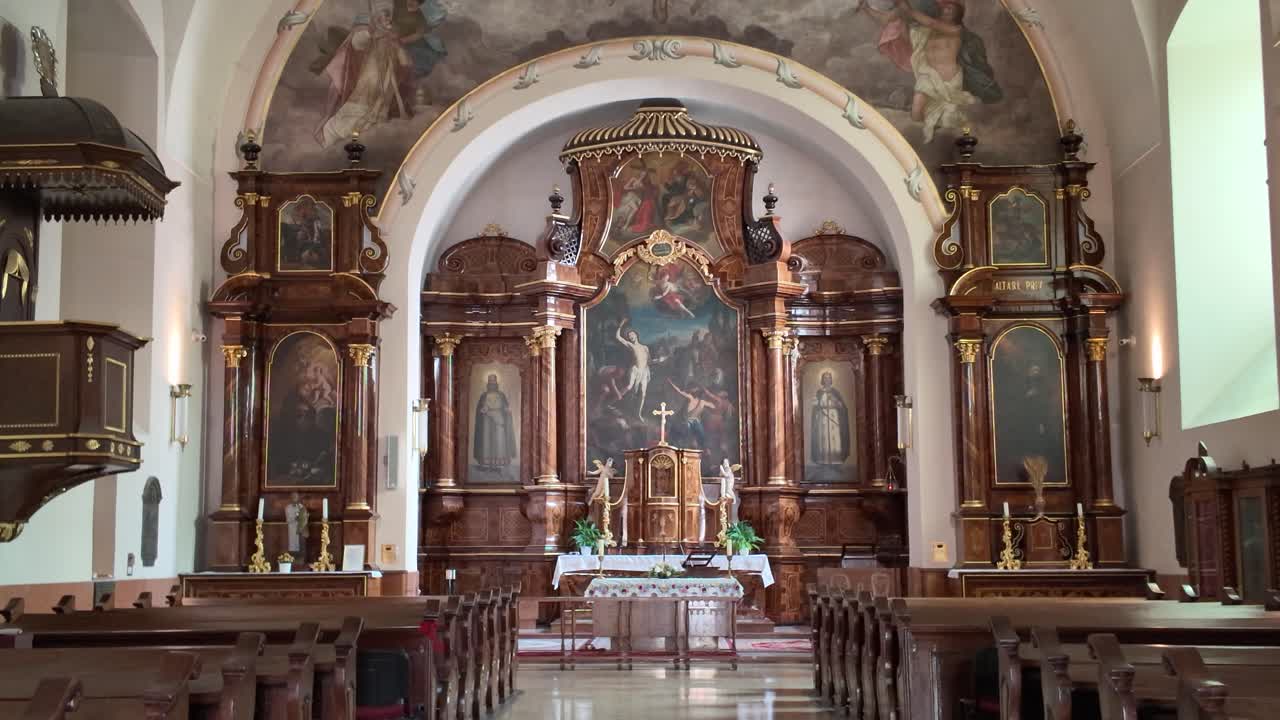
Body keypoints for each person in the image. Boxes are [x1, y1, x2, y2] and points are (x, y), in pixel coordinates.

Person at [864, 0, 1002, 143]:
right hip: (928, 76)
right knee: (916, 115)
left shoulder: (955, 29)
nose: (946, 10)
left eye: (950, 9)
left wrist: (908, 10)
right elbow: (899, 29)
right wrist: (868, 9)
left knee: (945, 118)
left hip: (948, 80)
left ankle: (940, 127)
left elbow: (931, 23)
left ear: (958, 14)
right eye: (945, 8)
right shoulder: (926, 32)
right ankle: (933, 123)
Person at [315, 0, 413, 147]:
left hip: (383, 88)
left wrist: (397, 50)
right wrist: (372, 32)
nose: (388, 20)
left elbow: (406, 63)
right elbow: (356, 42)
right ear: (376, 18)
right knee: (350, 117)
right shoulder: (368, 36)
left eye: (389, 17)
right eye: (384, 17)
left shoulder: (393, 40)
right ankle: (329, 137)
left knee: (372, 121)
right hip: (366, 85)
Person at [473, 373, 516, 472]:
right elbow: (479, 409)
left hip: (499, 420)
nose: (492, 383)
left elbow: (505, 407)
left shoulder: (501, 395)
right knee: (487, 441)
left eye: (493, 381)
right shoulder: (484, 395)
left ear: (496, 382)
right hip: (486, 421)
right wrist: (482, 409)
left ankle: (498, 465)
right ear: (488, 383)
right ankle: (487, 465)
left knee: (499, 440)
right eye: (490, 381)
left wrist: (506, 410)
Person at [810, 371, 851, 467]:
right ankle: (823, 460)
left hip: (834, 417)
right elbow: (815, 406)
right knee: (823, 437)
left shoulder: (835, 392)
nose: (827, 380)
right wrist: (816, 404)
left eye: (828, 378)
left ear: (831, 380)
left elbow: (842, 407)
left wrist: (834, 399)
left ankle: (836, 461)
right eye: (825, 378)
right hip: (823, 418)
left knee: (834, 437)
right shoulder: (819, 392)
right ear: (822, 380)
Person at [615, 318, 651, 419]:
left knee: (643, 393)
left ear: (636, 335)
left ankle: (638, 414)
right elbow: (618, 337)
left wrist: (660, 360)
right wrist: (620, 325)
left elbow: (649, 361)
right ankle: (618, 401)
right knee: (630, 388)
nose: (631, 337)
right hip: (635, 370)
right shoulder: (631, 346)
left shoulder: (645, 348)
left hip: (644, 371)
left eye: (632, 335)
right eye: (629, 336)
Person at [668, 378, 714, 449]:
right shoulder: (691, 398)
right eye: (693, 389)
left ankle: (704, 448)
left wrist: (709, 395)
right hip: (688, 422)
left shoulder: (702, 402)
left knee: (701, 434)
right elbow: (680, 391)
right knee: (687, 434)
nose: (693, 391)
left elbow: (713, 406)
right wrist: (671, 384)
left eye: (696, 389)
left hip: (696, 422)